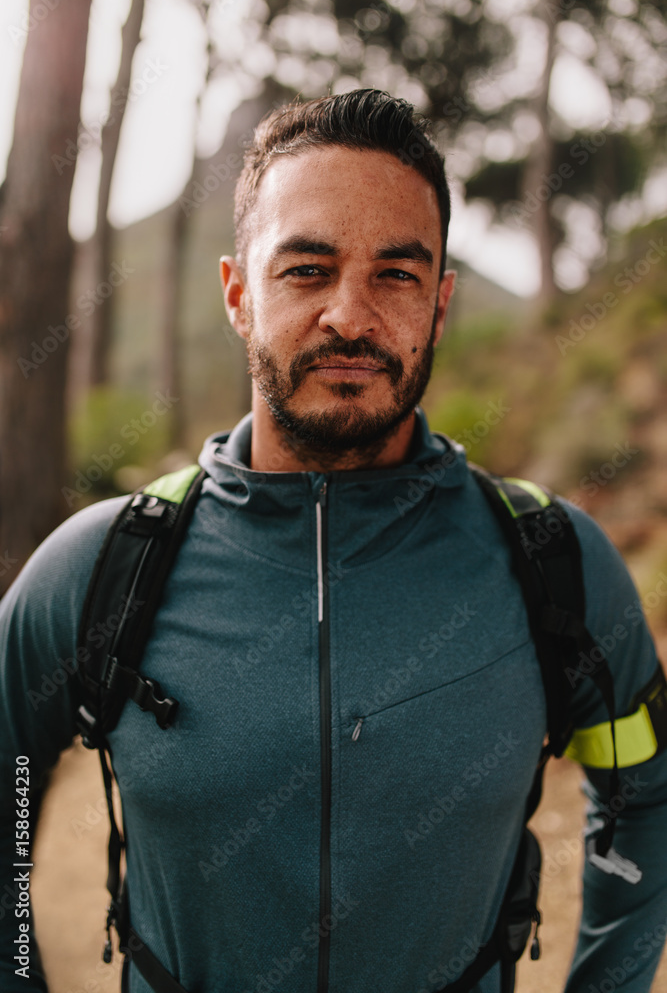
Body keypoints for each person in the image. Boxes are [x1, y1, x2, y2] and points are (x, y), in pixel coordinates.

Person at [1, 89, 666, 993]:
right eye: (306, 269)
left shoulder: (554, 561)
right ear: (238, 294)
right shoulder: (100, 567)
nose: (350, 317)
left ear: (439, 304)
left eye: (395, 274)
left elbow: (645, 794)